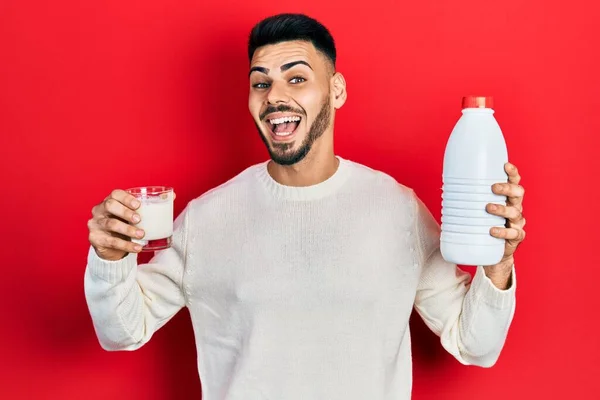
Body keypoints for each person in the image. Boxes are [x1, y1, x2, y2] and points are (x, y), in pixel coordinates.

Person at [84, 13, 526, 399]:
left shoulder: (398, 210)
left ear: (336, 90)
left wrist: (498, 262)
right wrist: (109, 257)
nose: (275, 95)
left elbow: (476, 345)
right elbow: (122, 331)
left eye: (296, 78)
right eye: (261, 82)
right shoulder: (206, 218)